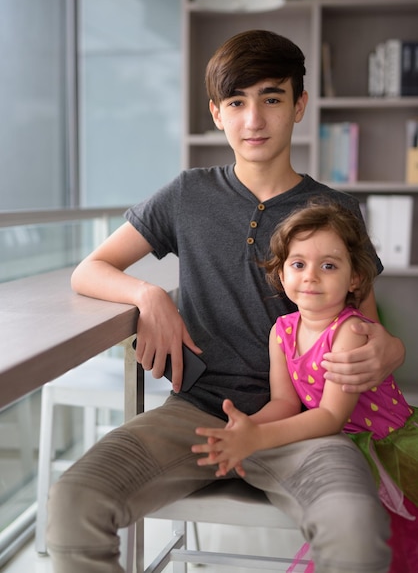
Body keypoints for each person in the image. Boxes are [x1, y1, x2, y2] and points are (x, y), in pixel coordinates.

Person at [46, 29, 405, 573]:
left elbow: (369, 333)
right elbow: (90, 270)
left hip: (303, 424)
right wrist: (149, 295)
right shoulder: (187, 194)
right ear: (217, 113)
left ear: (299, 104)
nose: (254, 120)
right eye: (237, 102)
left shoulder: (335, 209)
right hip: (196, 414)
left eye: (272, 98)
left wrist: (389, 351)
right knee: (73, 500)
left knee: (357, 530)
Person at [192, 199, 418, 572]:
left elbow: (329, 415)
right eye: (298, 264)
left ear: (355, 278)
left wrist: (258, 440)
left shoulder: (350, 331)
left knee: (391, 548)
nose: (311, 276)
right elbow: (284, 402)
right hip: (341, 445)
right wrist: (246, 427)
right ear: (282, 274)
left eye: (328, 266)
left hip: (386, 445)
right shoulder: (281, 331)